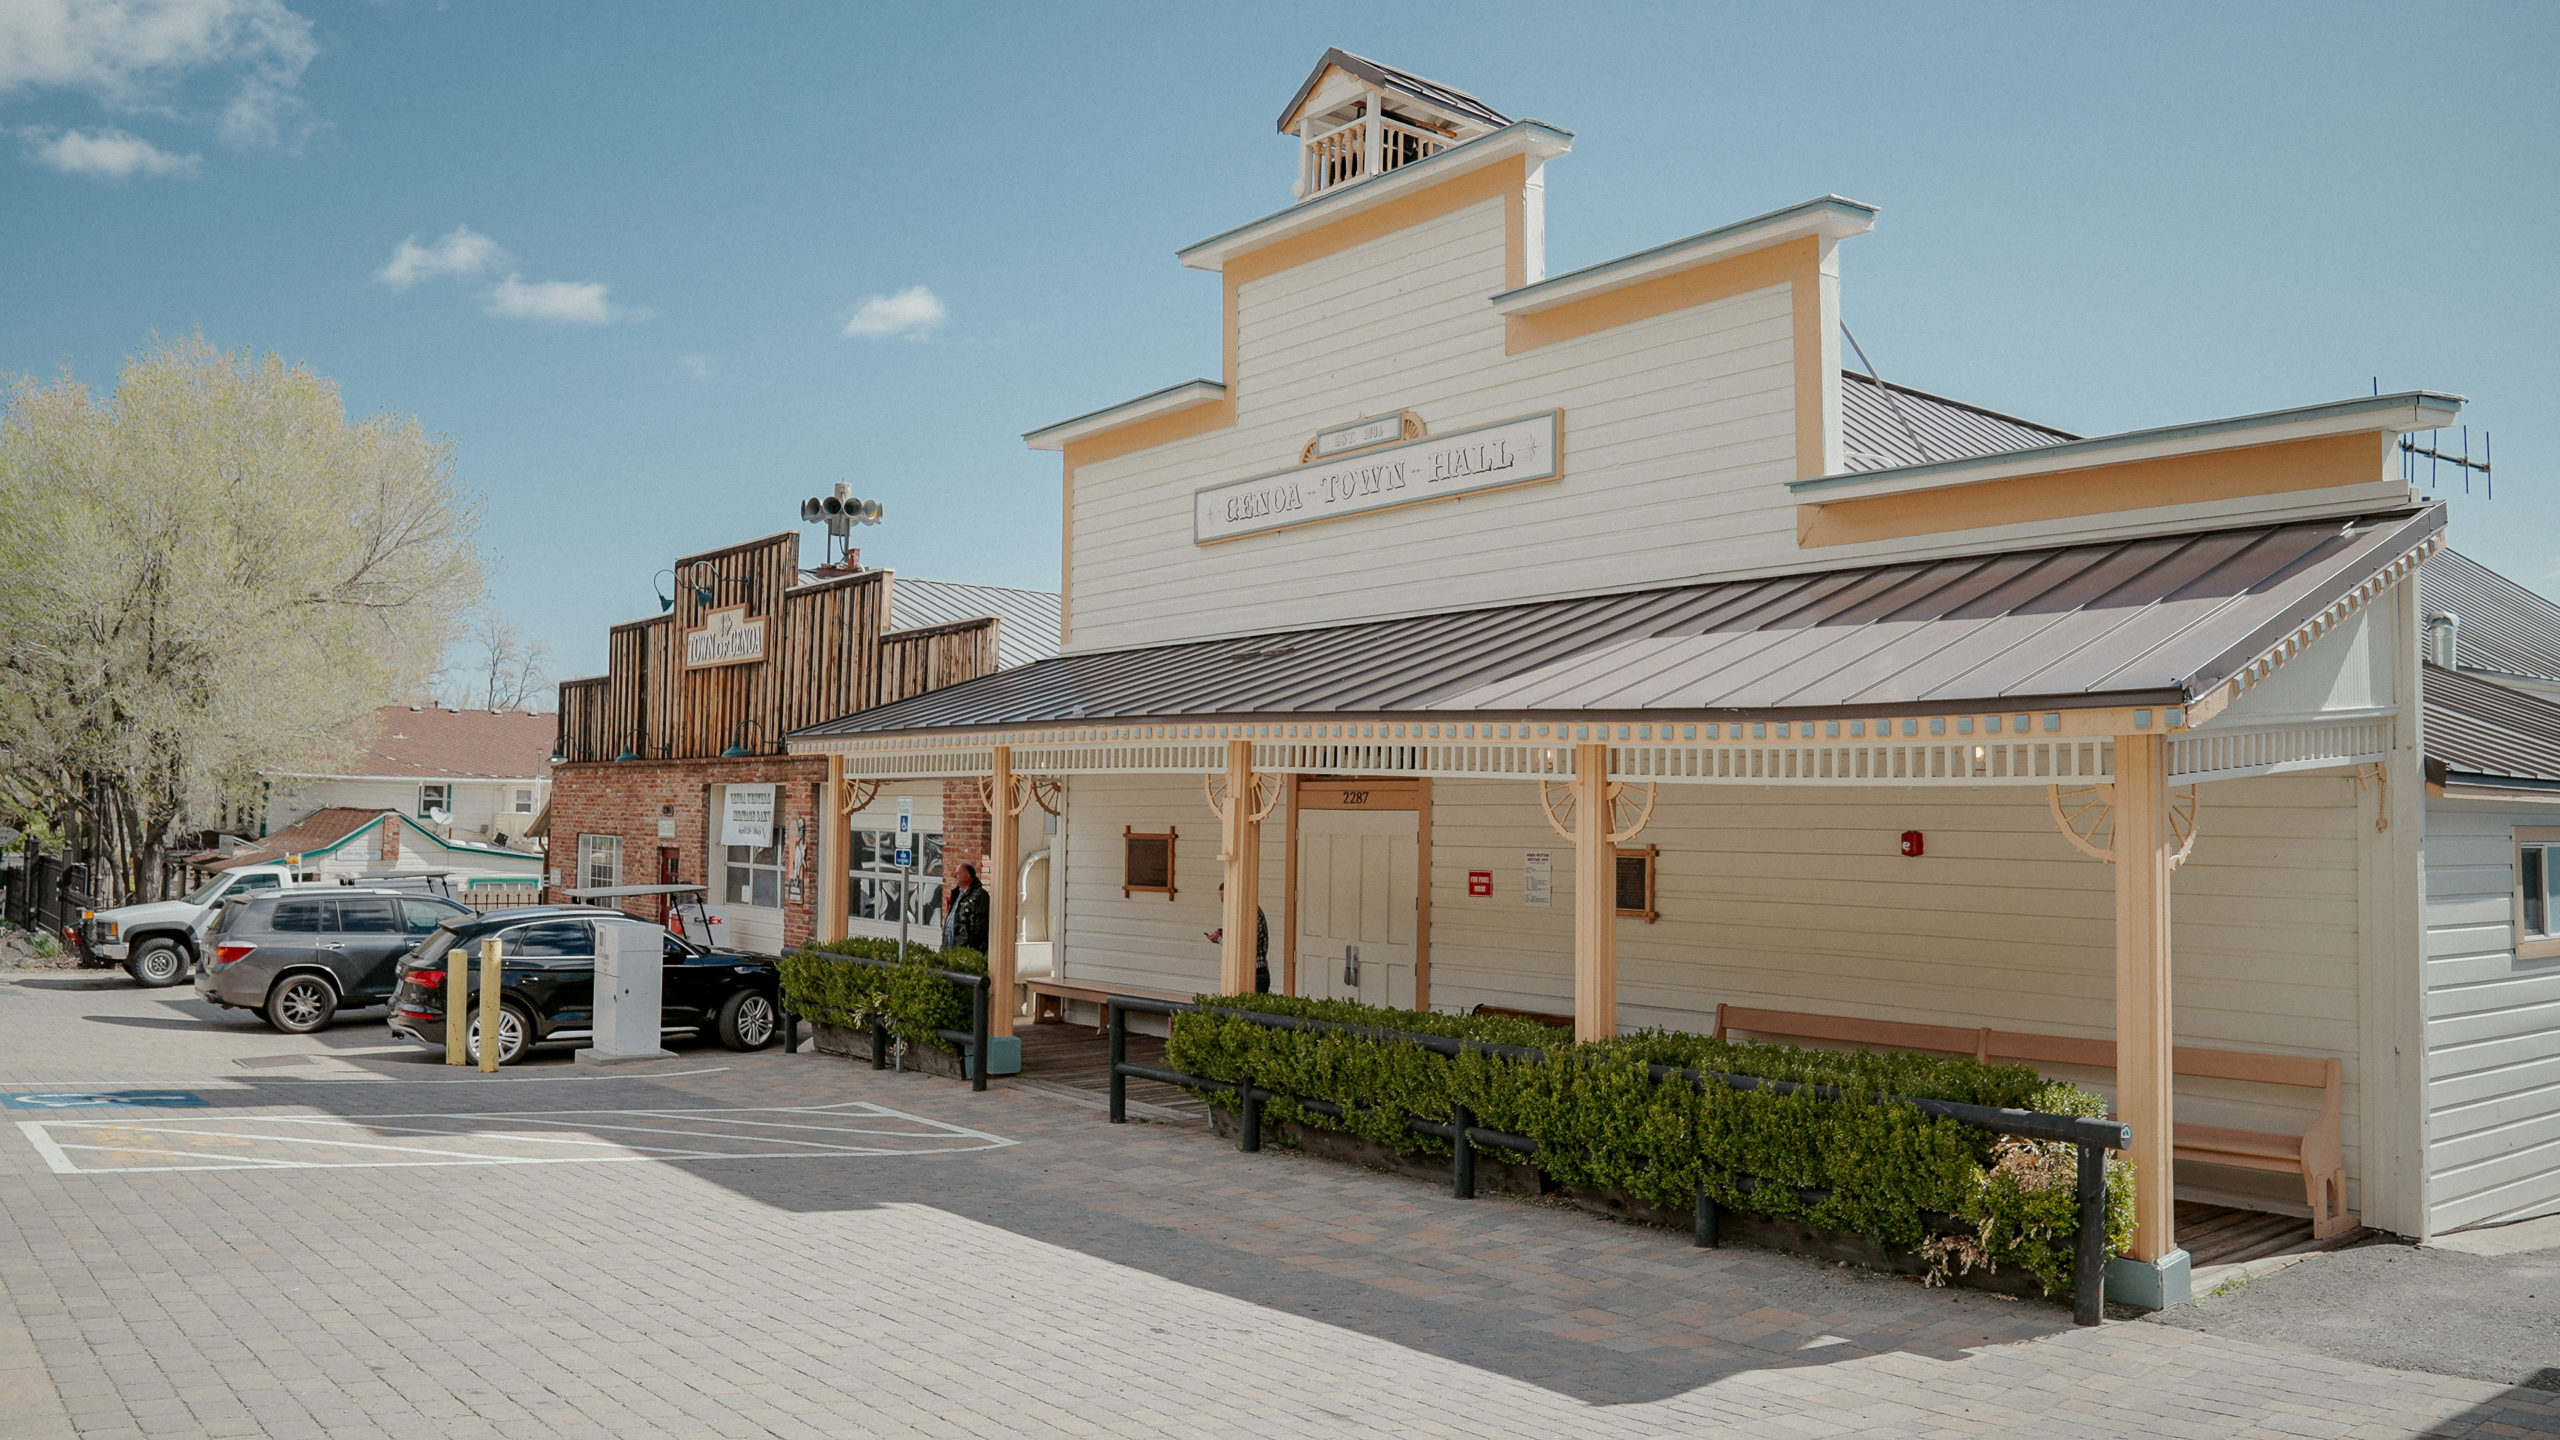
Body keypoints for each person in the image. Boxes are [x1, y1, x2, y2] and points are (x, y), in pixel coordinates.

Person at [1207, 881, 1270, 993]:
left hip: (1255, 976)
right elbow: (1240, 935)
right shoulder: (1242, 912)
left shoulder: (1251, 913)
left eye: (1227, 900)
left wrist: (1220, 940)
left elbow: (1246, 945)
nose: (1225, 904)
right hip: (1246, 975)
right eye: (1223, 901)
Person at [942, 863, 990, 953]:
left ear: (967, 877)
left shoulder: (979, 896)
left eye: (958, 873)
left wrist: (970, 951)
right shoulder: (957, 894)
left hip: (965, 952)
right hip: (950, 948)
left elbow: (979, 927)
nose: (954, 875)